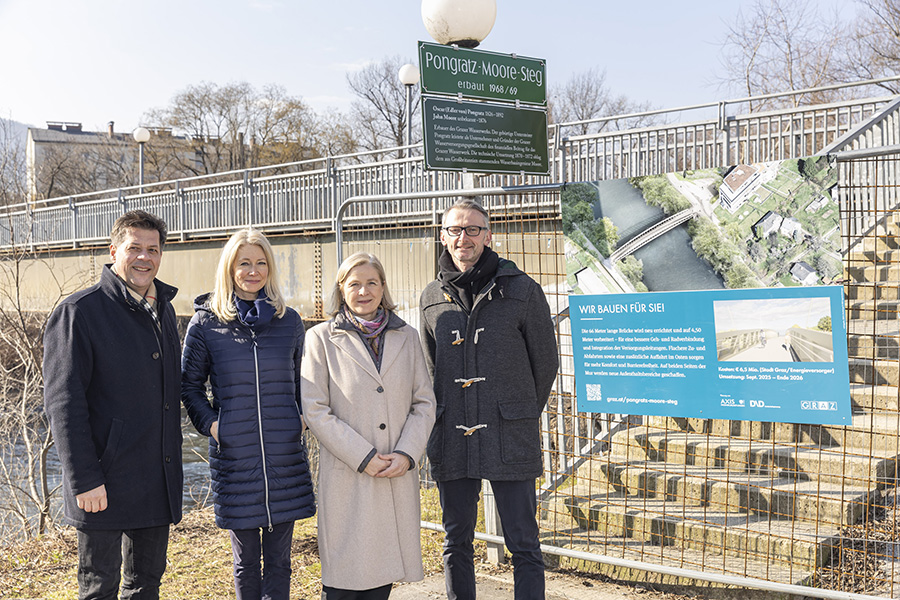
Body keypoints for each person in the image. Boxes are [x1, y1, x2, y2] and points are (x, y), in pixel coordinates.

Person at [419, 200, 559, 600]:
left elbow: (545, 361)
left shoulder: (522, 289)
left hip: (508, 432)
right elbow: (430, 370)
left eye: (473, 229)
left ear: (488, 234)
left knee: (524, 542)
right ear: (443, 235)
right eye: (455, 230)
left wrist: (518, 412)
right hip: (452, 432)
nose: (463, 238)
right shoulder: (431, 296)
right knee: (455, 540)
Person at [43, 209, 183, 600]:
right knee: (99, 588)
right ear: (113, 250)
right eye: (134, 248)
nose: (144, 257)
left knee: (146, 586)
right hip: (102, 481)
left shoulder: (163, 308)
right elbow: (63, 403)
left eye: (152, 249)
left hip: (155, 479)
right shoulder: (79, 312)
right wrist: (85, 478)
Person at [181, 229, 315, 600]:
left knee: (280, 561)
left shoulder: (288, 321)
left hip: (283, 455)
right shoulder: (206, 323)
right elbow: (189, 386)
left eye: (260, 263)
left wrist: (300, 418)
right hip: (236, 458)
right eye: (244, 263)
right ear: (230, 268)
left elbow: (304, 380)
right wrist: (212, 425)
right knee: (245, 561)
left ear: (269, 268)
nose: (253, 271)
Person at [301, 251, 436, 600]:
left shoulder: (405, 336)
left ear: (383, 287)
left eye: (371, 283)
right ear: (341, 289)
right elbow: (315, 410)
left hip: (395, 469)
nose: (364, 291)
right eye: (355, 284)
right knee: (344, 579)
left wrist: (407, 454)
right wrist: (363, 456)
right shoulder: (319, 338)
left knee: (382, 578)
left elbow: (424, 402)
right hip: (350, 472)